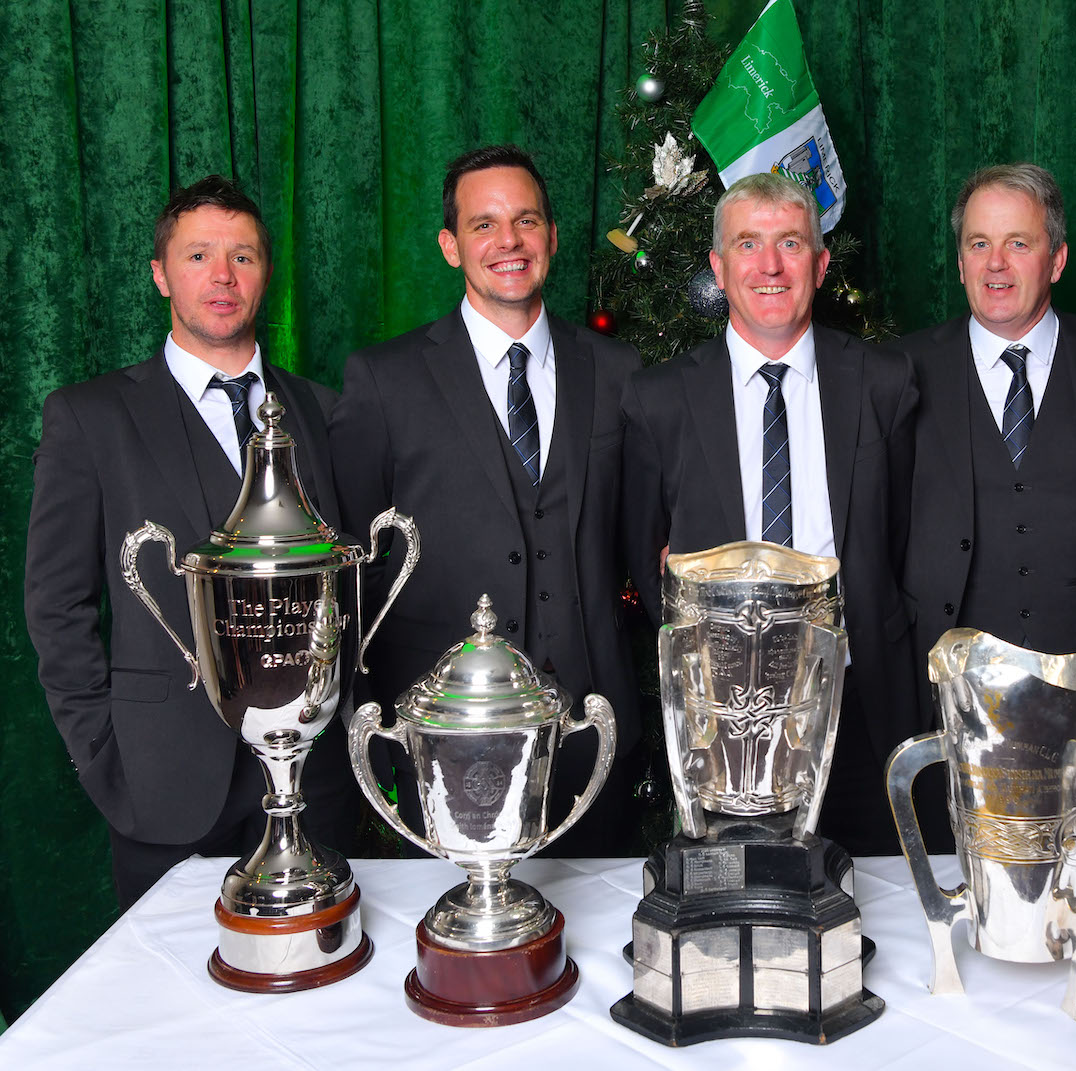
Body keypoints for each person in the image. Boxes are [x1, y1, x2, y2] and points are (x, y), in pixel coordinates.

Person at [24, 176, 359, 910]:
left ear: (265, 272)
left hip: (318, 784)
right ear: (159, 274)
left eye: (242, 256)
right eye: (199, 255)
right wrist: (103, 758)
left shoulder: (324, 411)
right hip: (162, 783)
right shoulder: (90, 418)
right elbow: (56, 602)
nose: (222, 276)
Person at [329, 145, 641, 855]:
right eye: (484, 225)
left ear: (552, 237)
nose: (509, 241)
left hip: (593, 735)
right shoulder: (383, 381)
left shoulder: (621, 373)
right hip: (442, 745)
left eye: (526, 220)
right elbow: (355, 570)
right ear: (450, 245)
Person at [622, 172, 919, 855]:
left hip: (857, 703)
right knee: (735, 918)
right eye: (748, 245)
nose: (770, 265)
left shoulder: (884, 382)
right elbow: (646, 553)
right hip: (720, 724)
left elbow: (903, 536)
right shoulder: (658, 400)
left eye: (790, 242)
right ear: (719, 269)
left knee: (873, 910)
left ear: (819, 262)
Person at [899, 165, 1076, 722]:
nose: (996, 263)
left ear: (1057, 259)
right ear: (962, 260)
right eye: (979, 243)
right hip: (950, 685)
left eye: (1018, 243)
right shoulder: (902, 371)